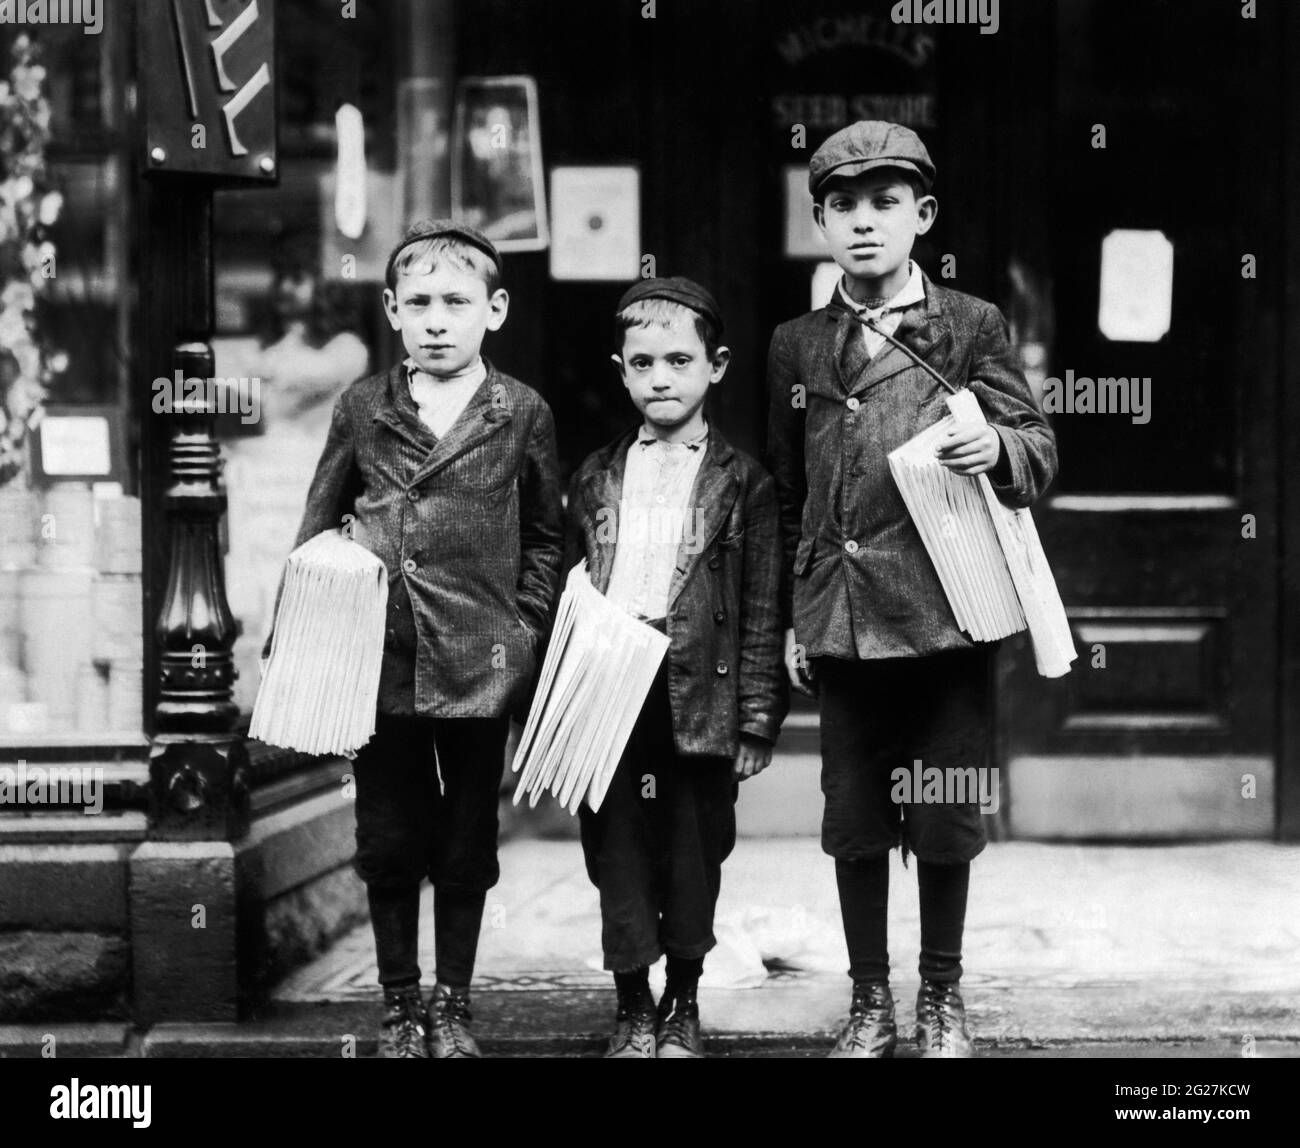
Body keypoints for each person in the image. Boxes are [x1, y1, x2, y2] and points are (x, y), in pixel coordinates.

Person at [764, 122, 1058, 1058]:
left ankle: (940, 997)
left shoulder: (970, 325)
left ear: (922, 216)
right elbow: (784, 487)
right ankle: (867, 1001)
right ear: (818, 219)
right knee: (853, 819)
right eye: (842, 205)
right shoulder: (796, 344)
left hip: (948, 614)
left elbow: (1038, 443)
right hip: (842, 619)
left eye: (886, 204)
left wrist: (1001, 448)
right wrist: (788, 620)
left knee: (944, 813)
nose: (863, 223)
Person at [282, 219, 563, 1058]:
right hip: (382, 660)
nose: (438, 320)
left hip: (481, 659)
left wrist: (524, 627)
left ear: (496, 309)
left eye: (457, 302)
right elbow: (318, 524)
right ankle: (400, 1005)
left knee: (468, 842)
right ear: (393, 311)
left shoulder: (521, 414)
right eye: (420, 304)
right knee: (390, 837)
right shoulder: (365, 407)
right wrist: (311, 633)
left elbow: (547, 538)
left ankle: (453, 1005)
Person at [566, 277, 786, 1057]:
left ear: (716, 366)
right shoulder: (594, 476)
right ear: (622, 371)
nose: (661, 378)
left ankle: (683, 1002)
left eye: (679, 361)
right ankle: (632, 1004)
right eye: (643, 363)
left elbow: (762, 608)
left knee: (696, 847)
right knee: (614, 844)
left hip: (699, 688)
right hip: (608, 690)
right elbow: (567, 589)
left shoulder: (745, 482)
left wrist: (758, 716)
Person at [224, 234, 370, 711]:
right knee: (258, 590)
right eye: (281, 280)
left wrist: (253, 372)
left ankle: (310, 706)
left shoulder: (346, 347)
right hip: (259, 487)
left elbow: (303, 378)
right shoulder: (274, 345)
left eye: (298, 278)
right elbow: (248, 402)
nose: (286, 289)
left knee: (306, 591)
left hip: (306, 485)